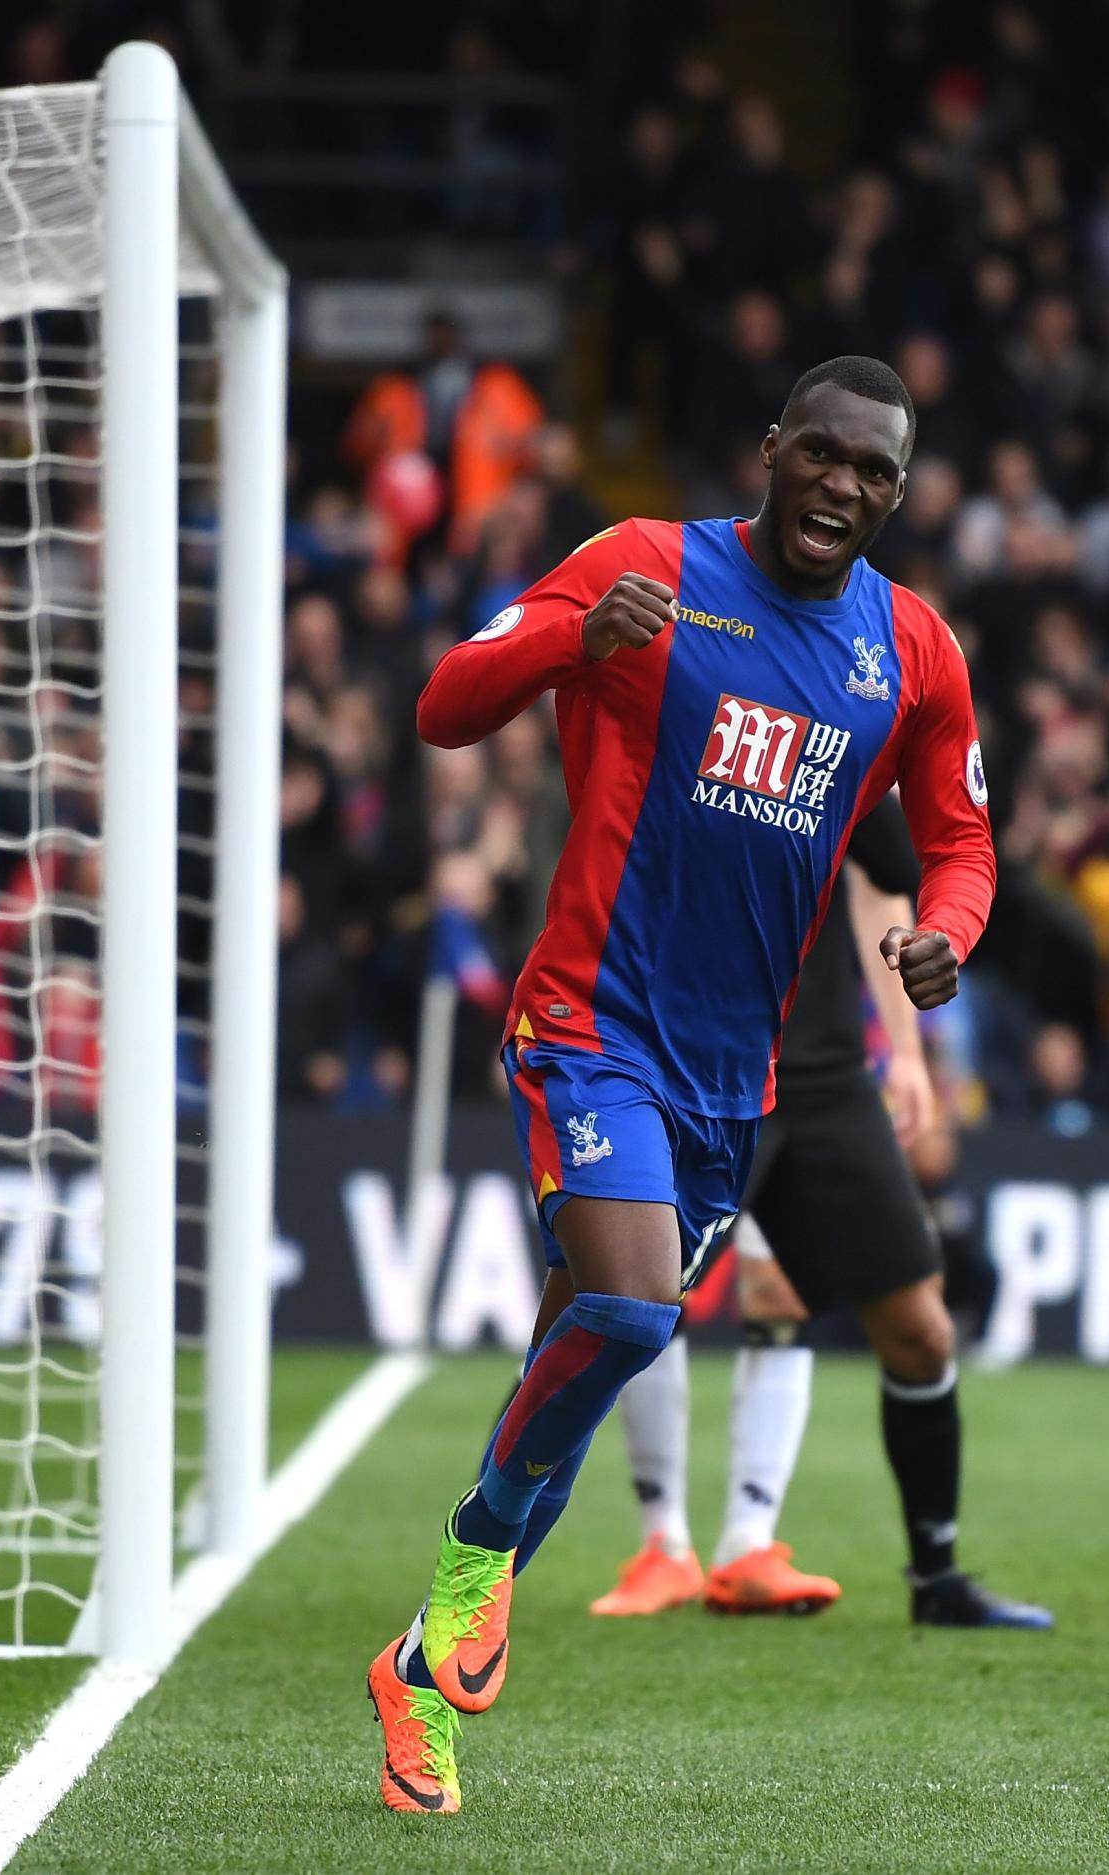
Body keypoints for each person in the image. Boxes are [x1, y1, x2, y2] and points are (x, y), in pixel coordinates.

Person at [367, 357, 996, 1817]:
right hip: (592, 1024)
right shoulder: (643, 565)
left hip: (743, 1075)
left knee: (573, 1373)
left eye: (875, 471)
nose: (843, 483)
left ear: (897, 495)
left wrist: (942, 935)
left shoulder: (910, 648)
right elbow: (446, 704)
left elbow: (960, 839)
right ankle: (468, 1594)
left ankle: (426, 1661)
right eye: (822, 452)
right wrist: (573, 638)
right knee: (637, 1304)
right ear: (771, 449)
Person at [591, 794, 1051, 1629]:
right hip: (694, 1056)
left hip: (824, 1066)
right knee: (634, 1299)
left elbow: (883, 874)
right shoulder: (694, 686)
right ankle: (654, 1542)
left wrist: (906, 1048)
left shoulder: (847, 716)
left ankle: (928, 1575)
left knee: (920, 1327)